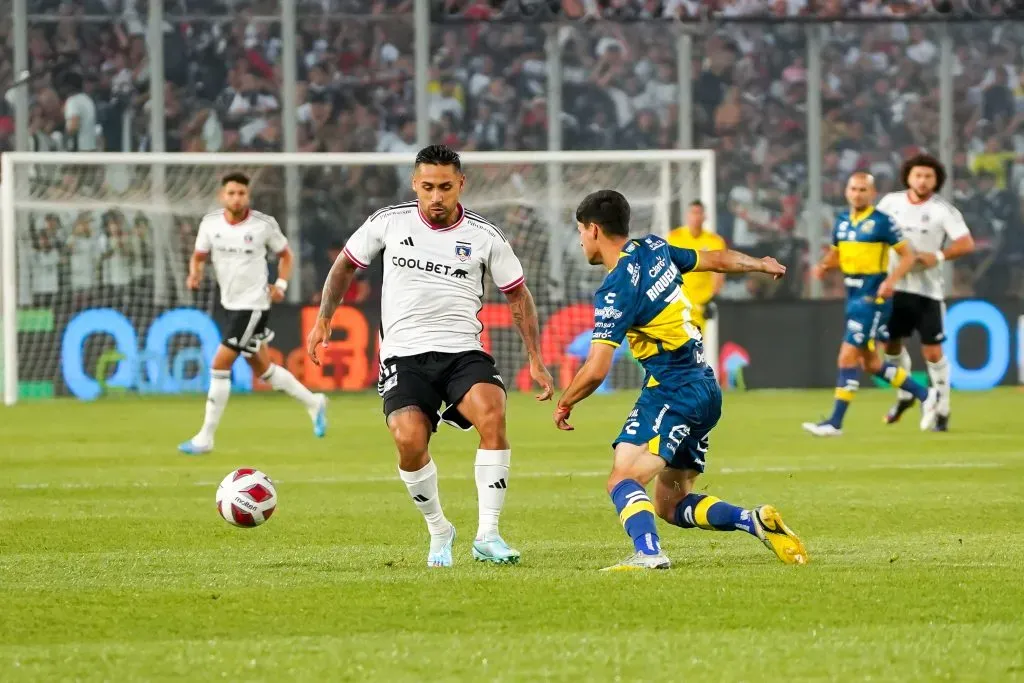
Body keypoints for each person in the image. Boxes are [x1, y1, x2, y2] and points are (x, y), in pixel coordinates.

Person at [307, 145, 554, 568]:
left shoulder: (485, 236)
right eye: (427, 187)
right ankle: (439, 529)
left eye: (444, 187)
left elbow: (518, 296)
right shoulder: (388, 222)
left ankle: (488, 535)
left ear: (461, 184)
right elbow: (344, 266)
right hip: (404, 357)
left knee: (492, 413)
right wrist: (324, 318)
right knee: (408, 440)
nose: (436, 197)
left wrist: (535, 357)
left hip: (463, 352)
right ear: (414, 185)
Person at [553, 189, 808, 571]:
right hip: (705, 388)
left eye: (580, 231)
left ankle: (649, 554)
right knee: (670, 505)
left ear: (593, 229)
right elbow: (716, 260)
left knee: (623, 479)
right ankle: (753, 521)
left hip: (673, 388)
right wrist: (759, 263)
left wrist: (565, 400)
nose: (580, 239)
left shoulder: (617, 287)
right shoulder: (654, 248)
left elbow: (597, 368)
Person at [179, 173, 328, 455]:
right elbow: (198, 256)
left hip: (254, 305)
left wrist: (281, 285)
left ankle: (205, 438)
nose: (237, 198)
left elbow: (286, 256)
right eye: (232, 193)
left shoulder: (263, 225)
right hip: (230, 304)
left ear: (248, 196)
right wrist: (194, 274)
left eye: (242, 193)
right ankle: (314, 402)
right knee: (264, 370)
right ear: (222, 196)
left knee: (220, 365)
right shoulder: (210, 224)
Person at [802, 172, 938, 437]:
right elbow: (838, 253)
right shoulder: (841, 222)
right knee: (871, 364)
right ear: (846, 192)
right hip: (852, 295)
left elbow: (908, 256)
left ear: (872, 193)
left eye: (863, 189)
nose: (857, 193)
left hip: (872, 297)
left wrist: (891, 281)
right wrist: (823, 266)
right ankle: (926, 394)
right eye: (853, 188)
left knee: (847, 356)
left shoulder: (882, 222)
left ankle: (835, 422)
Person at [878, 155, 974, 431]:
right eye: (918, 175)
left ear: (936, 181)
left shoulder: (943, 210)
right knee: (891, 346)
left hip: (927, 292)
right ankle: (906, 392)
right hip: (893, 286)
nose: (922, 180)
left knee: (932, 351)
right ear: (908, 176)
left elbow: (966, 243)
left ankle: (942, 408)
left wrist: (939, 256)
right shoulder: (889, 203)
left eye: (928, 176)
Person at [667, 200, 726, 330]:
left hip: (700, 304)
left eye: (699, 213)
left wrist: (712, 299)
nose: (696, 217)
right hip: (678, 303)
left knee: (694, 345)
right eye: (693, 213)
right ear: (687, 215)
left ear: (705, 216)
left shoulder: (714, 241)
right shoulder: (674, 237)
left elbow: (719, 273)